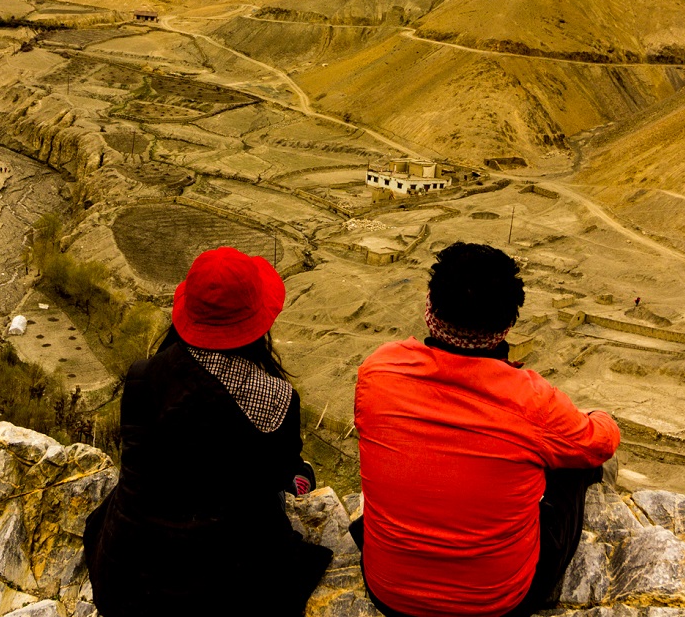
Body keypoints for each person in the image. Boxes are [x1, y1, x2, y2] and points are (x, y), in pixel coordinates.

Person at [354, 242, 621, 617]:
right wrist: (598, 415)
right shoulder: (533, 402)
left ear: (429, 308)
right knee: (575, 467)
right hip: (496, 603)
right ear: (508, 324)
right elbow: (602, 441)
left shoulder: (378, 371)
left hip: (389, 593)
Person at [84, 246, 332, 616]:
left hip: (128, 578)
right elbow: (282, 473)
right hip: (224, 591)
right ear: (256, 321)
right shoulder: (276, 398)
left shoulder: (142, 377)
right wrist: (300, 476)